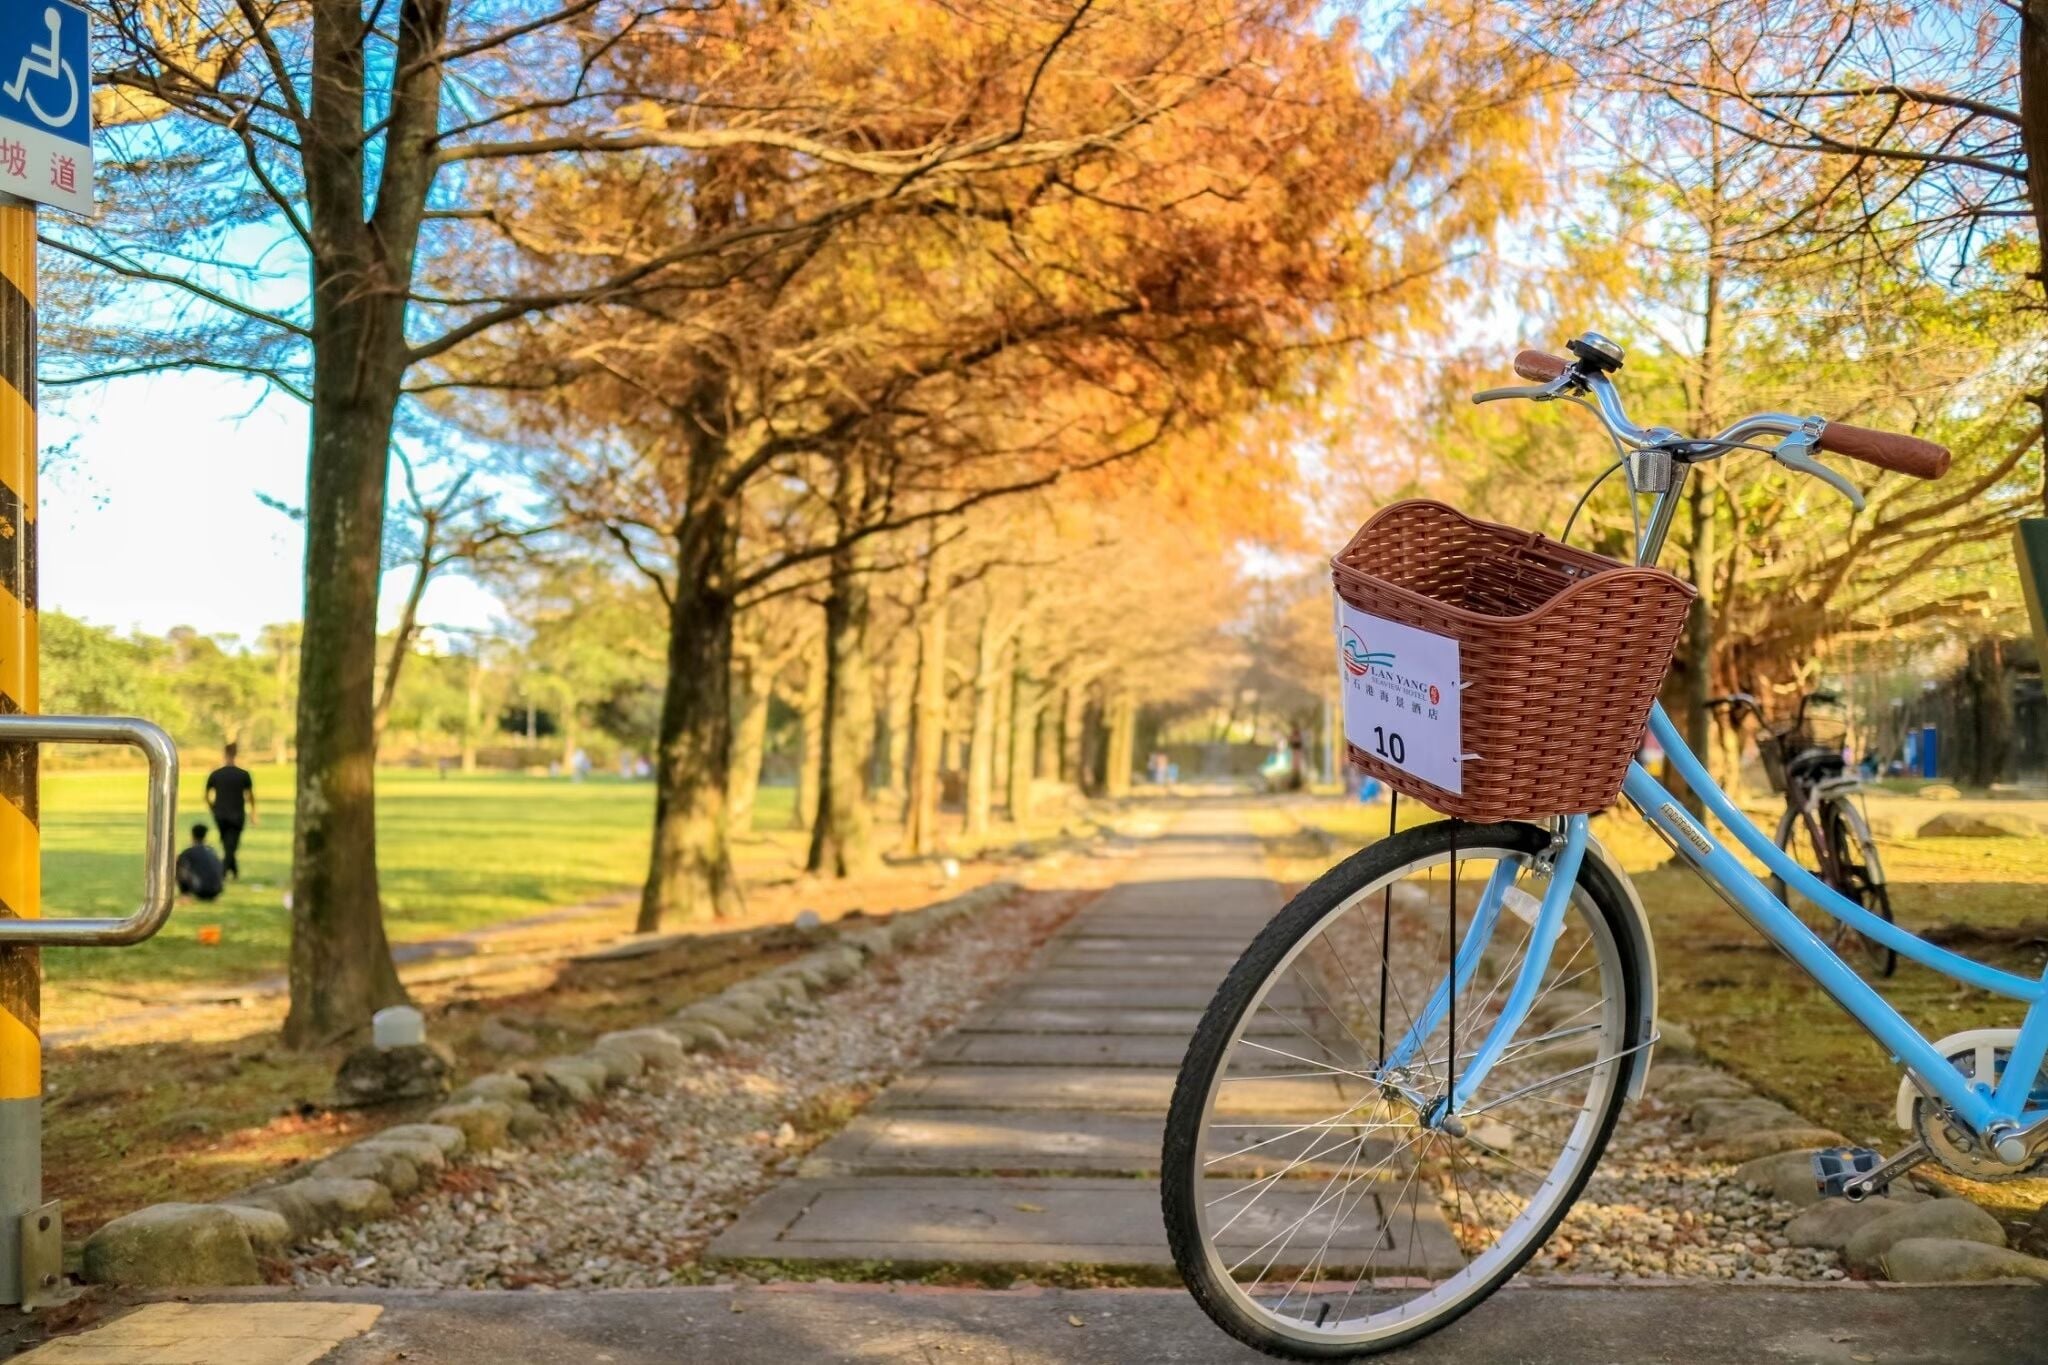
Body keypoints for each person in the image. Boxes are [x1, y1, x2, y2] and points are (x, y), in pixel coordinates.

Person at [205, 743, 256, 879]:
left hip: (220, 814)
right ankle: (223, 873)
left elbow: (206, 795)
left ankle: (234, 872)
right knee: (231, 845)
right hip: (237, 815)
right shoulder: (243, 775)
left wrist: (212, 808)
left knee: (228, 844)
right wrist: (253, 813)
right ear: (236, 755)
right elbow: (250, 796)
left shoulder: (216, 774)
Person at [176, 824, 225, 902]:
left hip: (200, 890)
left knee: (179, 864)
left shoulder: (188, 853)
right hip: (216, 890)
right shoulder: (212, 851)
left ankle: (185, 895)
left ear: (192, 835)